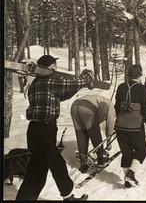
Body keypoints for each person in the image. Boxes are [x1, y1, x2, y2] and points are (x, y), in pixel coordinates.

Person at [16, 55, 93, 201]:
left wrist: (80, 86)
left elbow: (60, 96)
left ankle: (68, 195)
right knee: (37, 172)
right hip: (44, 129)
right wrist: (87, 76)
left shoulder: (37, 84)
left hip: (37, 130)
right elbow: (73, 81)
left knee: (56, 163)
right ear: (51, 67)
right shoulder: (49, 80)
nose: (56, 69)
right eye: (55, 66)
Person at [114, 65, 146, 188]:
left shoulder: (121, 87)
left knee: (126, 152)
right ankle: (131, 173)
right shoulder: (142, 88)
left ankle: (127, 181)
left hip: (120, 124)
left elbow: (116, 106)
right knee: (141, 150)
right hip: (135, 125)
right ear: (139, 75)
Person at [70, 95, 115, 173]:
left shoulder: (103, 101)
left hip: (74, 106)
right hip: (88, 107)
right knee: (95, 134)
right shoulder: (111, 106)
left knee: (81, 133)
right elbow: (109, 125)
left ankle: (83, 163)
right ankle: (101, 159)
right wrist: (109, 142)